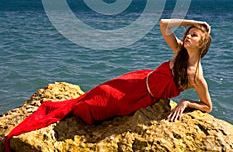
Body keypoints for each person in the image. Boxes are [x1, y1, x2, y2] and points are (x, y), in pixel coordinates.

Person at [4, 18, 212, 152]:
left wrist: (184, 102)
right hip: (137, 80)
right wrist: (193, 22)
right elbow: (164, 24)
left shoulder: (196, 77)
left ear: (201, 44)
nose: (187, 36)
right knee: (97, 93)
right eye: (188, 33)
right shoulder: (179, 53)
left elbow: (207, 105)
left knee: (93, 109)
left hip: (139, 98)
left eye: (194, 35)